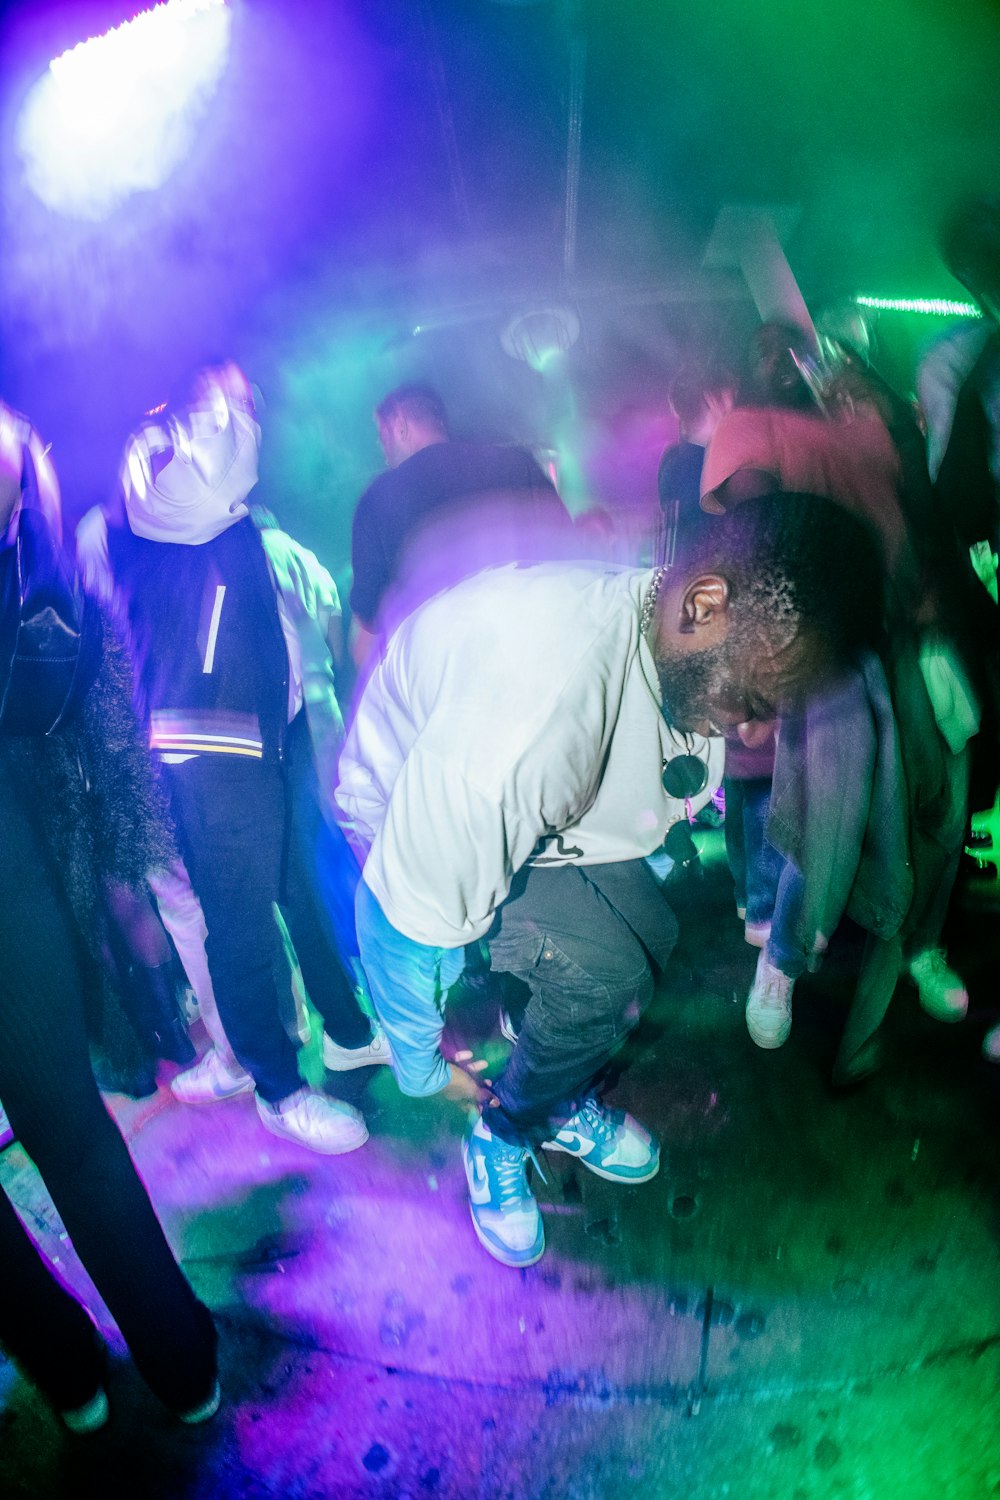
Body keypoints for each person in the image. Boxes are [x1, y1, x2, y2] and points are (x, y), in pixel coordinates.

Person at [336, 493, 884, 1266]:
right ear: (705, 605)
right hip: (413, 831)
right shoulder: (524, 731)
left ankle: (549, 1083)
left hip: (533, 823)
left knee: (650, 938)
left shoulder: (661, 621)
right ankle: (505, 1130)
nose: (759, 733)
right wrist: (424, 1070)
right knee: (603, 976)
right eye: (759, 701)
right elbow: (395, 921)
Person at [86, 363, 387, 1152]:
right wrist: (218, 405)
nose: (245, 406)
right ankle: (277, 1088)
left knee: (300, 886)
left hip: (270, 727)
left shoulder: (227, 501)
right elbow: (224, 466)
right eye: (229, 397)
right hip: (205, 740)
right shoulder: (149, 469)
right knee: (239, 921)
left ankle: (349, 1028)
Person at [0, 399, 219, 1432]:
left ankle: (158, 1360)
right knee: (74, 1139)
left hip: (18, 894)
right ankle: (76, 1364)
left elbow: (123, 772)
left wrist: (139, 906)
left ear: (17, 506)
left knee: (72, 1137)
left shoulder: (68, 609)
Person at [349, 382, 574, 669]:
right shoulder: (517, 464)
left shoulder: (378, 499)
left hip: (447, 681)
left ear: (400, 425)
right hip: (538, 656)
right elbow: (573, 554)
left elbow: (369, 625)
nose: (382, 450)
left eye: (382, 436)